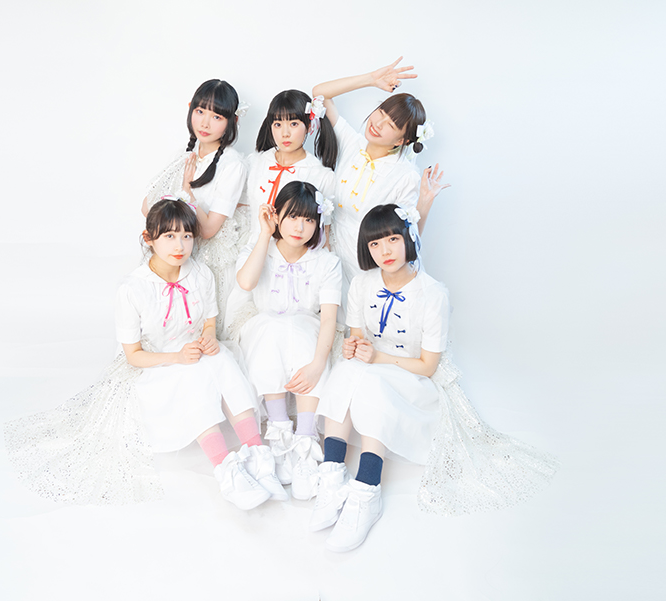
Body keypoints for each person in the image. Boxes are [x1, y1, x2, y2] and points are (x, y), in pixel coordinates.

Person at [5, 199, 285, 509]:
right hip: (155, 366)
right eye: (169, 236)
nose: (180, 245)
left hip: (193, 353)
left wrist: (208, 339)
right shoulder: (132, 289)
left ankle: (258, 456)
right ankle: (226, 471)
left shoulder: (200, 274)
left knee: (222, 359)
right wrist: (177, 357)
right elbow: (133, 356)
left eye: (187, 236)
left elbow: (209, 322)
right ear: (149, 238)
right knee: (194, 375)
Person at [312, 205, 559, 551]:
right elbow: (357, 338)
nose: (384, 251)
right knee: (345, 370)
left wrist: (377, 358)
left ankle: (367, 490)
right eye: (375, 244)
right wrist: (354, 347)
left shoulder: (432, 294)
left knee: (371, 382)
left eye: (392, 239)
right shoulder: (362, 284)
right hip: (374, 368)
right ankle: (331, 474)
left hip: (414, 379)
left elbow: (428, 365)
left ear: (408, 238)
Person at [235, 182, 342, 500]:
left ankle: (305, 444)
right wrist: (264, 234)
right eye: (293, 216)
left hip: (308, 330)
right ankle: (279, 434)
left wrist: (318, 364)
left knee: (300, 329)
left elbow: (328, 318)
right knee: (270, 327)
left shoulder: (327, 262)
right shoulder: (259, 249)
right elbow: (246, 282)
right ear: (276, 215)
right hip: (264, 329)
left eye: (309, 219)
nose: (299, 227)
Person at [312, 57, 449, 288]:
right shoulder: (352, 143)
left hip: (367, 268)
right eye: (381, 112)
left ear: (402, 140)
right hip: (328, 257)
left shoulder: (405, 175)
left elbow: (408, 237)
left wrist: (424, 203)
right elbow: (319, 94)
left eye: (391, 125)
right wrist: (370, 79)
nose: (378, 123)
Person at [142, 79, 249, 334]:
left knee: (199, 329)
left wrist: (186, 193)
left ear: (231, 122)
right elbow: (148, 207)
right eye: (200, 112)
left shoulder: (232, 164)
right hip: (175, 252)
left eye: (216, 117)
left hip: (206, 262)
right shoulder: (184, 153)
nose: (205, 123)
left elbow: (209, 229)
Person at [242, 89, 337, 244]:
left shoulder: (322, 176)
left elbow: (323, 235)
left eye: (293, 124)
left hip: (294, 258)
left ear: (309, 126)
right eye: (278, 124)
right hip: (253, 251)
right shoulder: (255, 162)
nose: (285, 133)